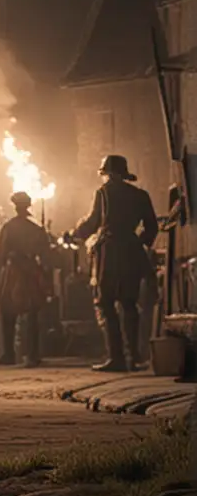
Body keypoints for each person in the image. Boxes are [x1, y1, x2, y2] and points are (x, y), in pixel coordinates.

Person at [67, 154, 158, 373]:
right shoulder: (140, 195)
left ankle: (116, 357)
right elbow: (152, 227)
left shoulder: (104, 193)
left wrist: (72, 234)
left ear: (110, 173)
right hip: (132, 254)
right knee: (129, 304)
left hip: (108, 255)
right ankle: (133, 357)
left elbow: (93, 222)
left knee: (105, 303)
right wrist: (137, 243)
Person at [0, 191, 53, 366]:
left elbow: (1, 254)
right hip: (31, 271)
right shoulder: (37, 228)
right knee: (32, 313)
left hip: (14, 273)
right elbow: (46, 255)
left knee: (8, 311)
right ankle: (32, 354)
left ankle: (9, 353)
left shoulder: (9, 227)